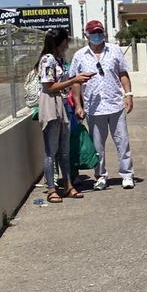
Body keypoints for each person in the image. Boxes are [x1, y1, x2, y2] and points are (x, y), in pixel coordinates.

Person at [70, 20, 135, 190]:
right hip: (94, 108)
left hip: (115, 105)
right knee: (97, 145)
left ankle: (127, 175)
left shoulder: (114, 50)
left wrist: (128, 94)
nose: (97, 35)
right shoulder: (79, 55)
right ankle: (100, 176)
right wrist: (78, 105)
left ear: (103, 33)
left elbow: (123, 73)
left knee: (122, 141)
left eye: (99, 32)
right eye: (93, 33)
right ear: (87, 35)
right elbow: (75, 82)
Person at [38, 28, 94, 203]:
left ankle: (68, 186)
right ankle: (51, 189)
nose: (67, 45)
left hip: (62, 106)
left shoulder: (59, 60)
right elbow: (49, 87)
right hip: (51, 107)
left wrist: (76, 79)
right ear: (60, 42)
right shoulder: (47, 60)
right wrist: (74, 80)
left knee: (64, 151)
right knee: (51, 151)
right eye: (65, 42)